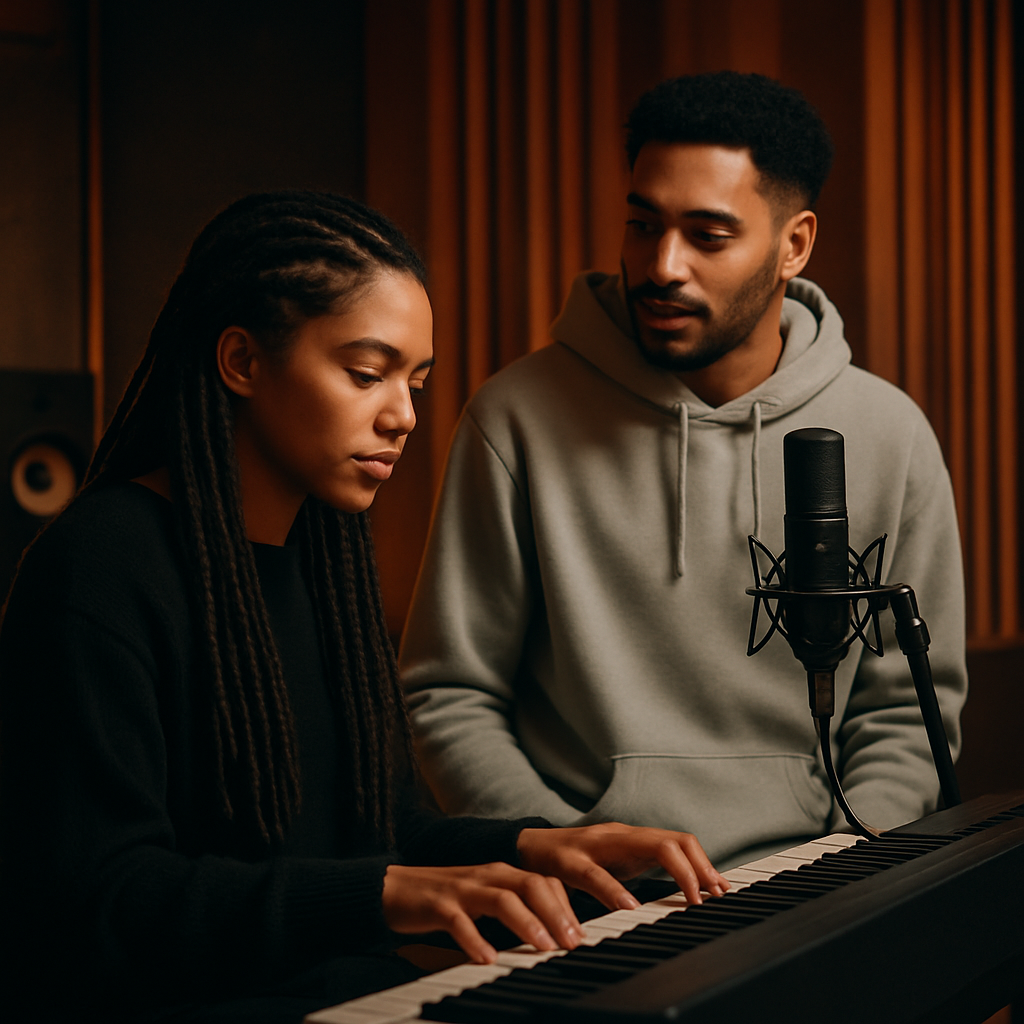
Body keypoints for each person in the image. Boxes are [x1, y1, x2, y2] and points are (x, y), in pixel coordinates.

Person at [0, 191, 728, 1024]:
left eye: (415, 382)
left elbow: (378, 834)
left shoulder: (324, 562)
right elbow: (103, 899)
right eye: (366, 373)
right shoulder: (97, 566)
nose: (404, 416)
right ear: (241, 361)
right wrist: (380, 895)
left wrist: (538, 846)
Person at [400, 73, 968, 870]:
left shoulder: (889, 433)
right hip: (586, 896)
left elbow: (904, 714)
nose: (662, 265)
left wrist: (835, 873)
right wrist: (563, 850)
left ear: (794, 244)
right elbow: (449, 693)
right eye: (643, 225)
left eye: (708, 236)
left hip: (821, 883)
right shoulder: (515, 418)